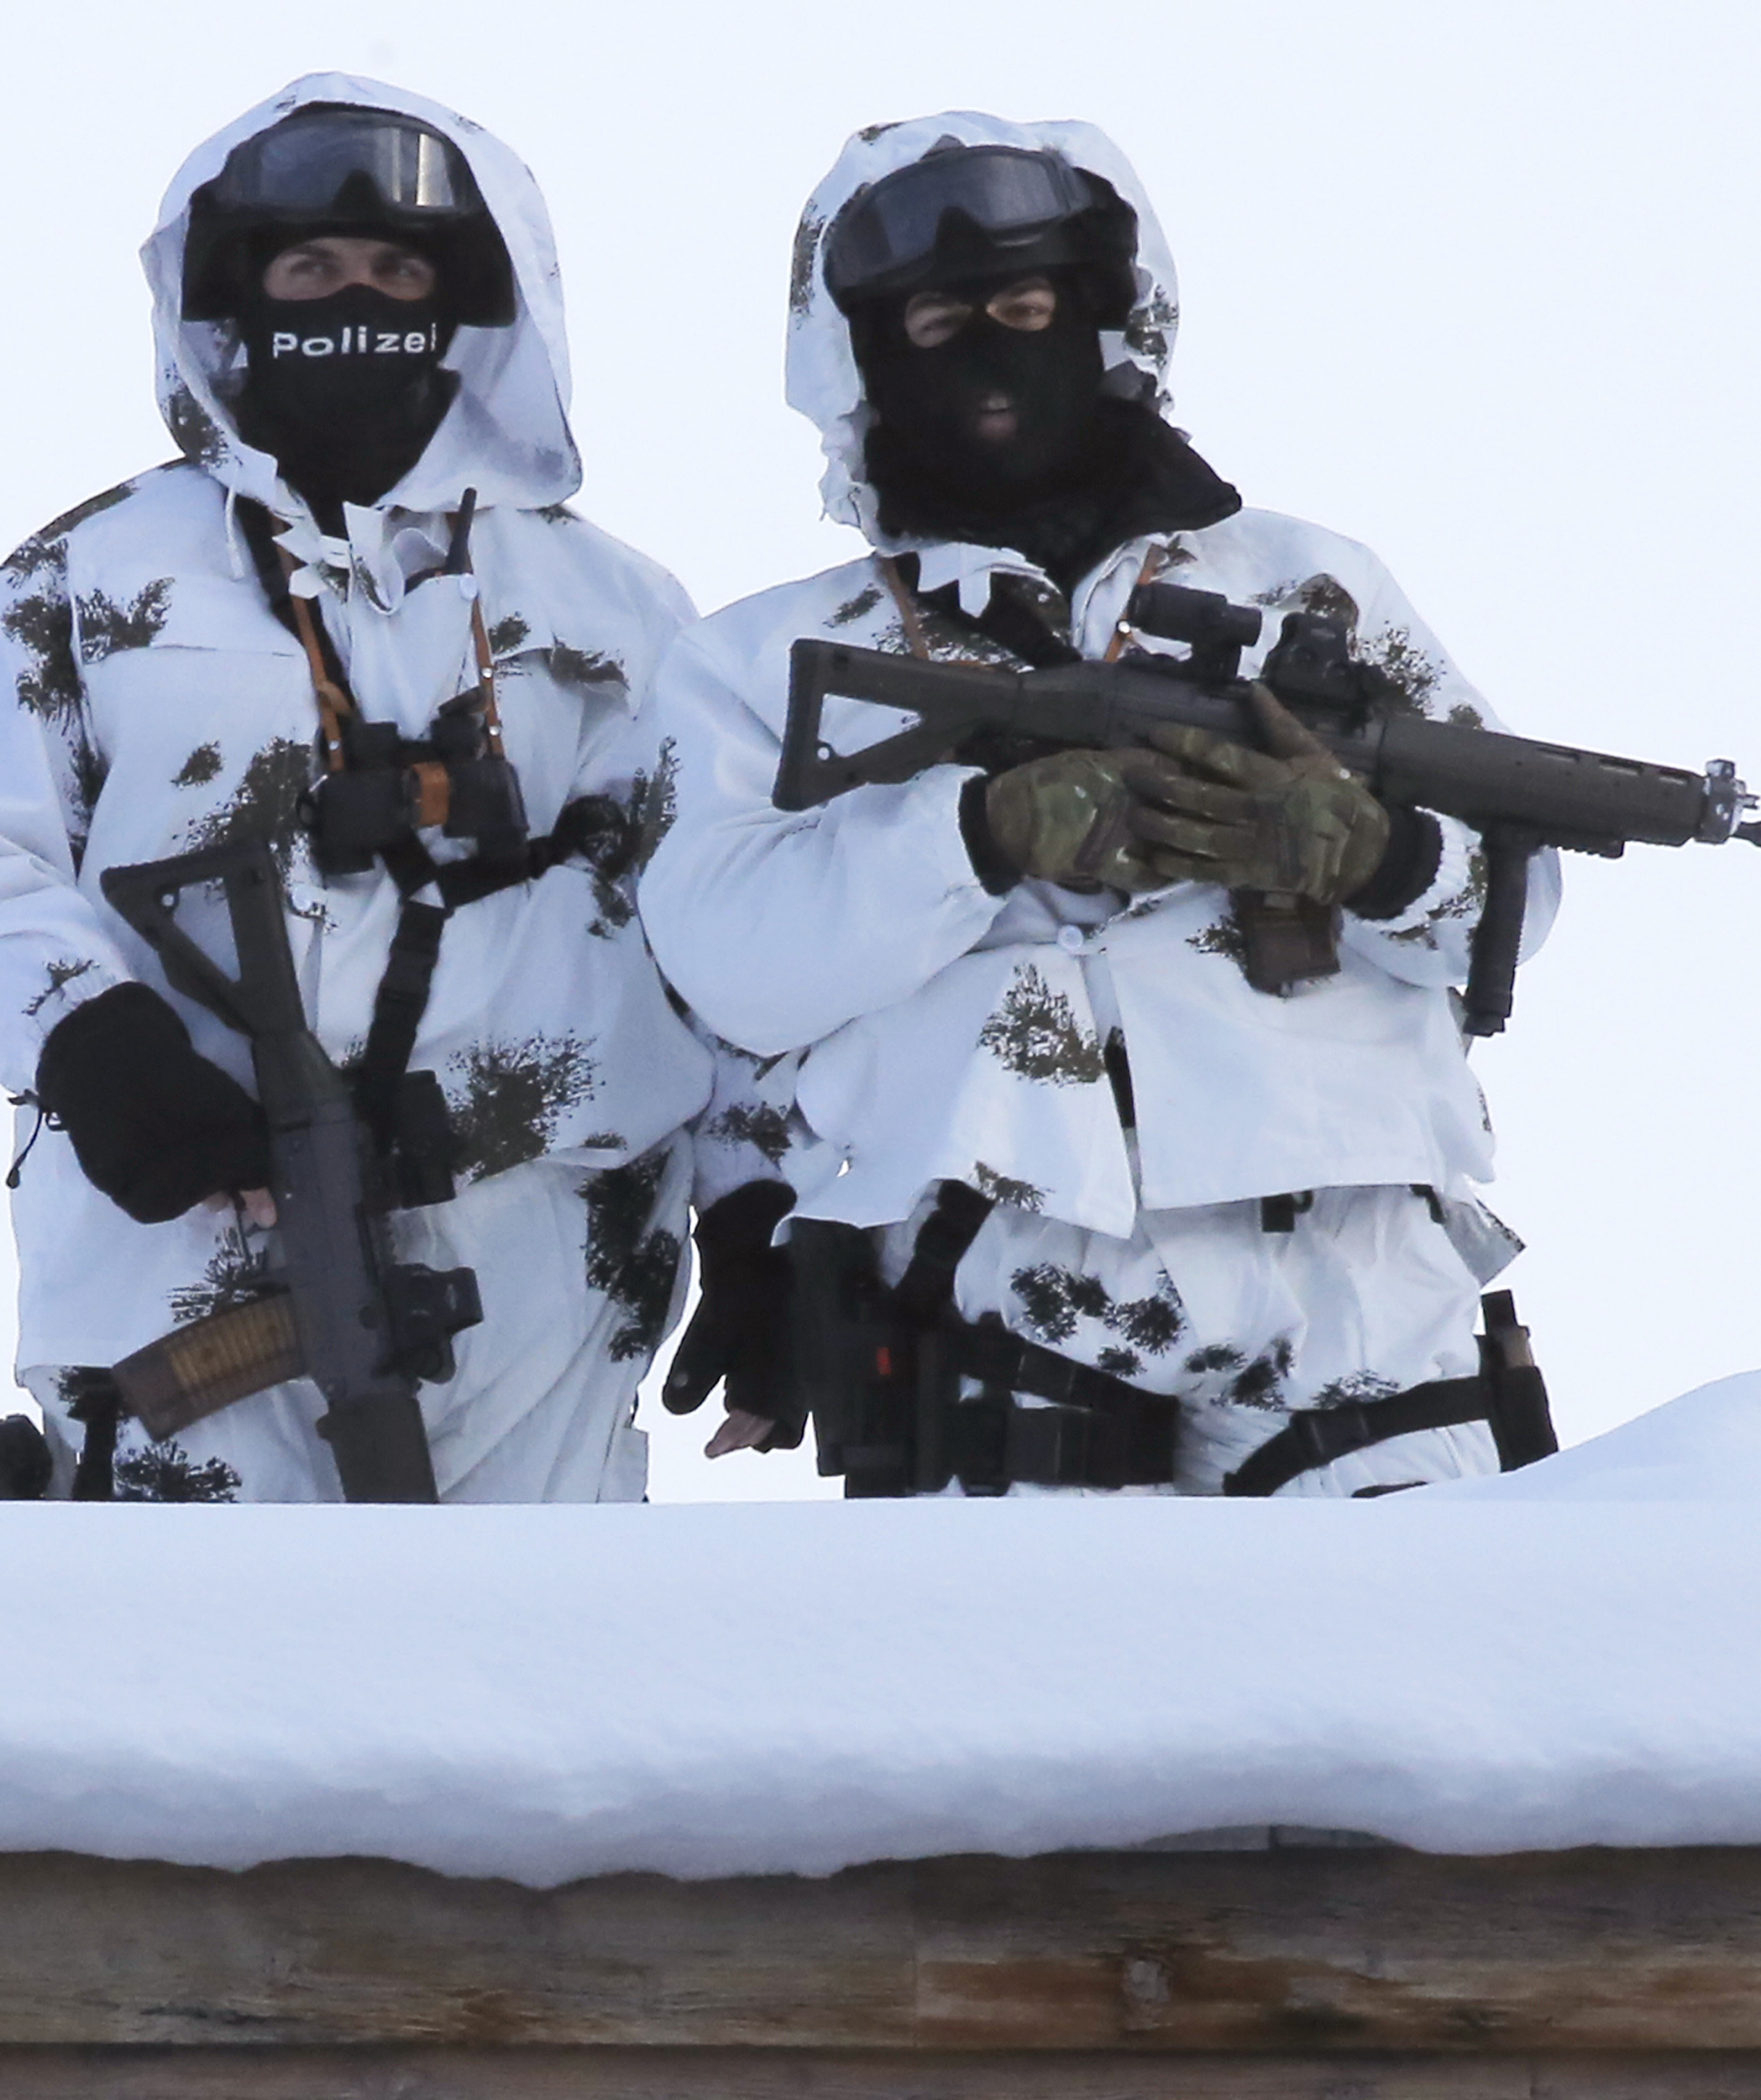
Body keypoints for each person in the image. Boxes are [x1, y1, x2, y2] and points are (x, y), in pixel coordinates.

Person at [639, 115, 1560, 1498]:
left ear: (1110, 323)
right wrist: (976, 839)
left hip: (1361, 1255)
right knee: (1043, 1697)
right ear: (864, 361)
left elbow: (1518, 904)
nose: (994, 356)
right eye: (938, 324)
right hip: (1005, 1265)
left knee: (1424, 1682)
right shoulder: (764, 656)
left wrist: (1379, 860)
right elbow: (723, 965)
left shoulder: (1317, 588)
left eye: (1028, 308)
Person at [0, 77, 705, 1502]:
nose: (351, 299)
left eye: (393, 271)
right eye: (307, 270)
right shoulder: (89, 576)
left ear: (463, 302)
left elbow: (711, 919)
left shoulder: (616, 609)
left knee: (543, 1694)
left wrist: (757, 1209)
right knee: (204, 1700)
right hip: (189, 1254)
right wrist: (92, 1043)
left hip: (547, 1262)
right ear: (233, 301)